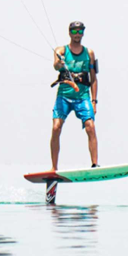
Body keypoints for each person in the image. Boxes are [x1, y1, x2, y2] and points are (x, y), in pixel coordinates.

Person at [50, 20, 98, 170]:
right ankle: (54, 168)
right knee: (56, 127)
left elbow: (93, 78)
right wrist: (59, 60)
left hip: (82, 96)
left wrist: (94, 100)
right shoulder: (61, 50)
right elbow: (56, 66)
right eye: (75, 31)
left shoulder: (89, 53)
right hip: (64, 95)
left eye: (80, 31)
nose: (78, 34)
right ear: (69, 33)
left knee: (90, 126)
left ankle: (95, 164)